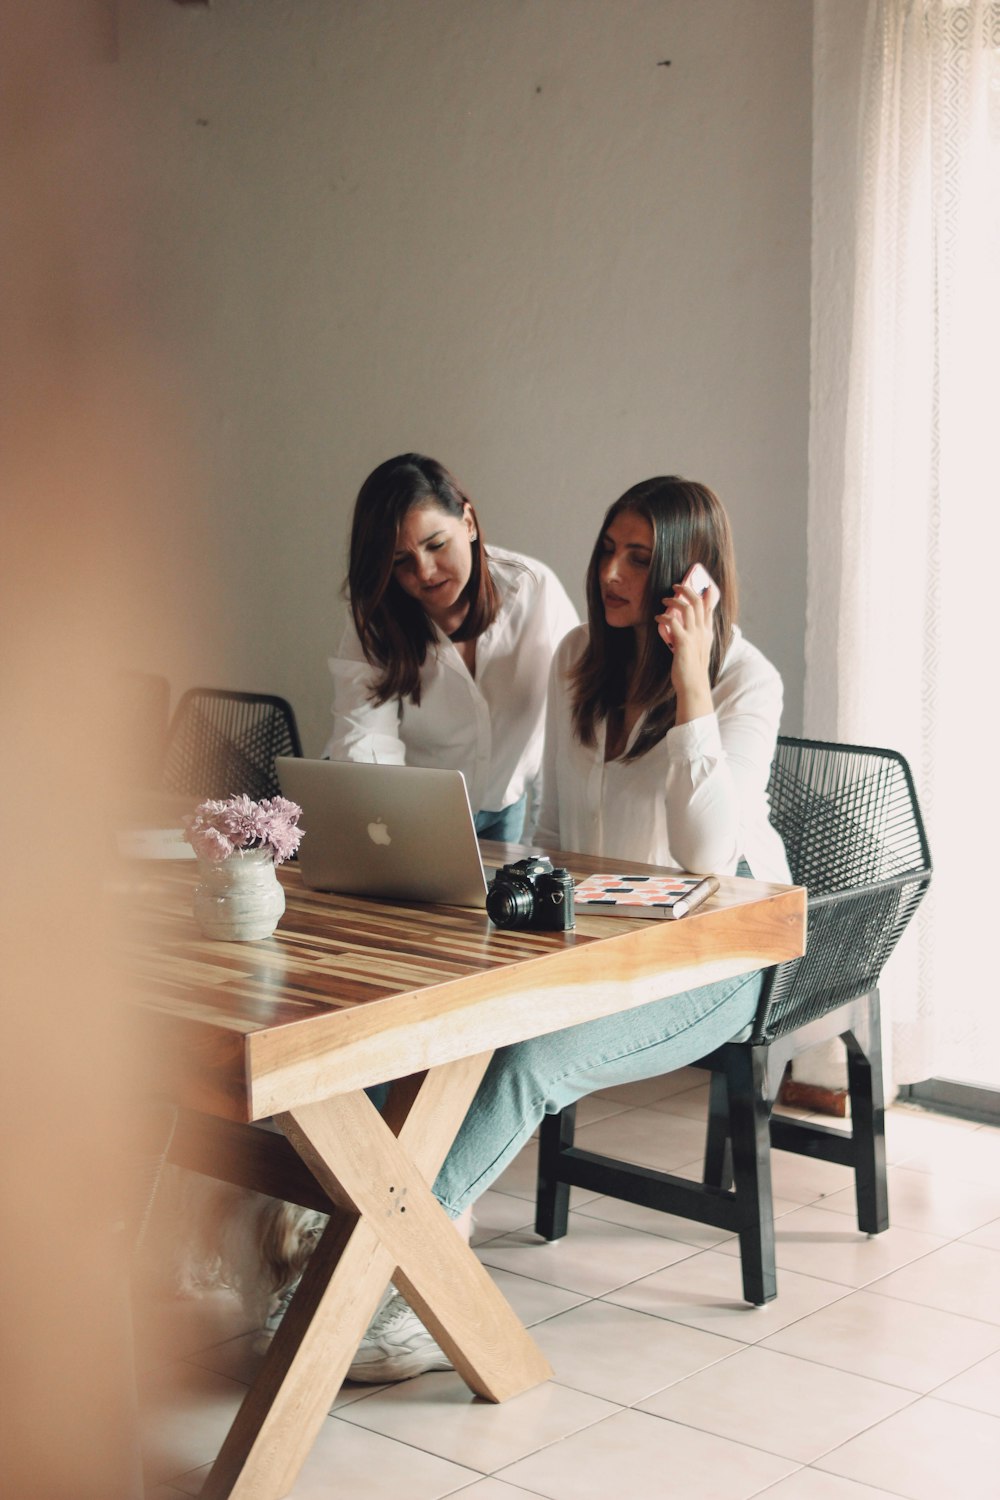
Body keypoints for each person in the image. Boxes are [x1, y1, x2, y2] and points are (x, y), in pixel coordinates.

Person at [347, 475, 792, 1383]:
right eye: (608, 549)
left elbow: (709, 857)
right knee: (431, 1020)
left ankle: (380, 1274)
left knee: (526, 1060)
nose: (614, 573)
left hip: (716, 958)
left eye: (640, 558)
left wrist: (692, 682)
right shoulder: (580, 656)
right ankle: (366, 1254)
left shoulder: (748, 680)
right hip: (599, 945)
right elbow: (552, 838)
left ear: (688, 578)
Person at [323, 453, 579, 842]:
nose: (424, 572)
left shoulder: (535, 592)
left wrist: (554, 840)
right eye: (401, 561)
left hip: (505, 805)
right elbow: (365, 740)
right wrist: (389, 835)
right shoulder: (377, 617)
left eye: (436, 544)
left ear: (469, 522)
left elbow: (570, 724)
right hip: (412, 811)